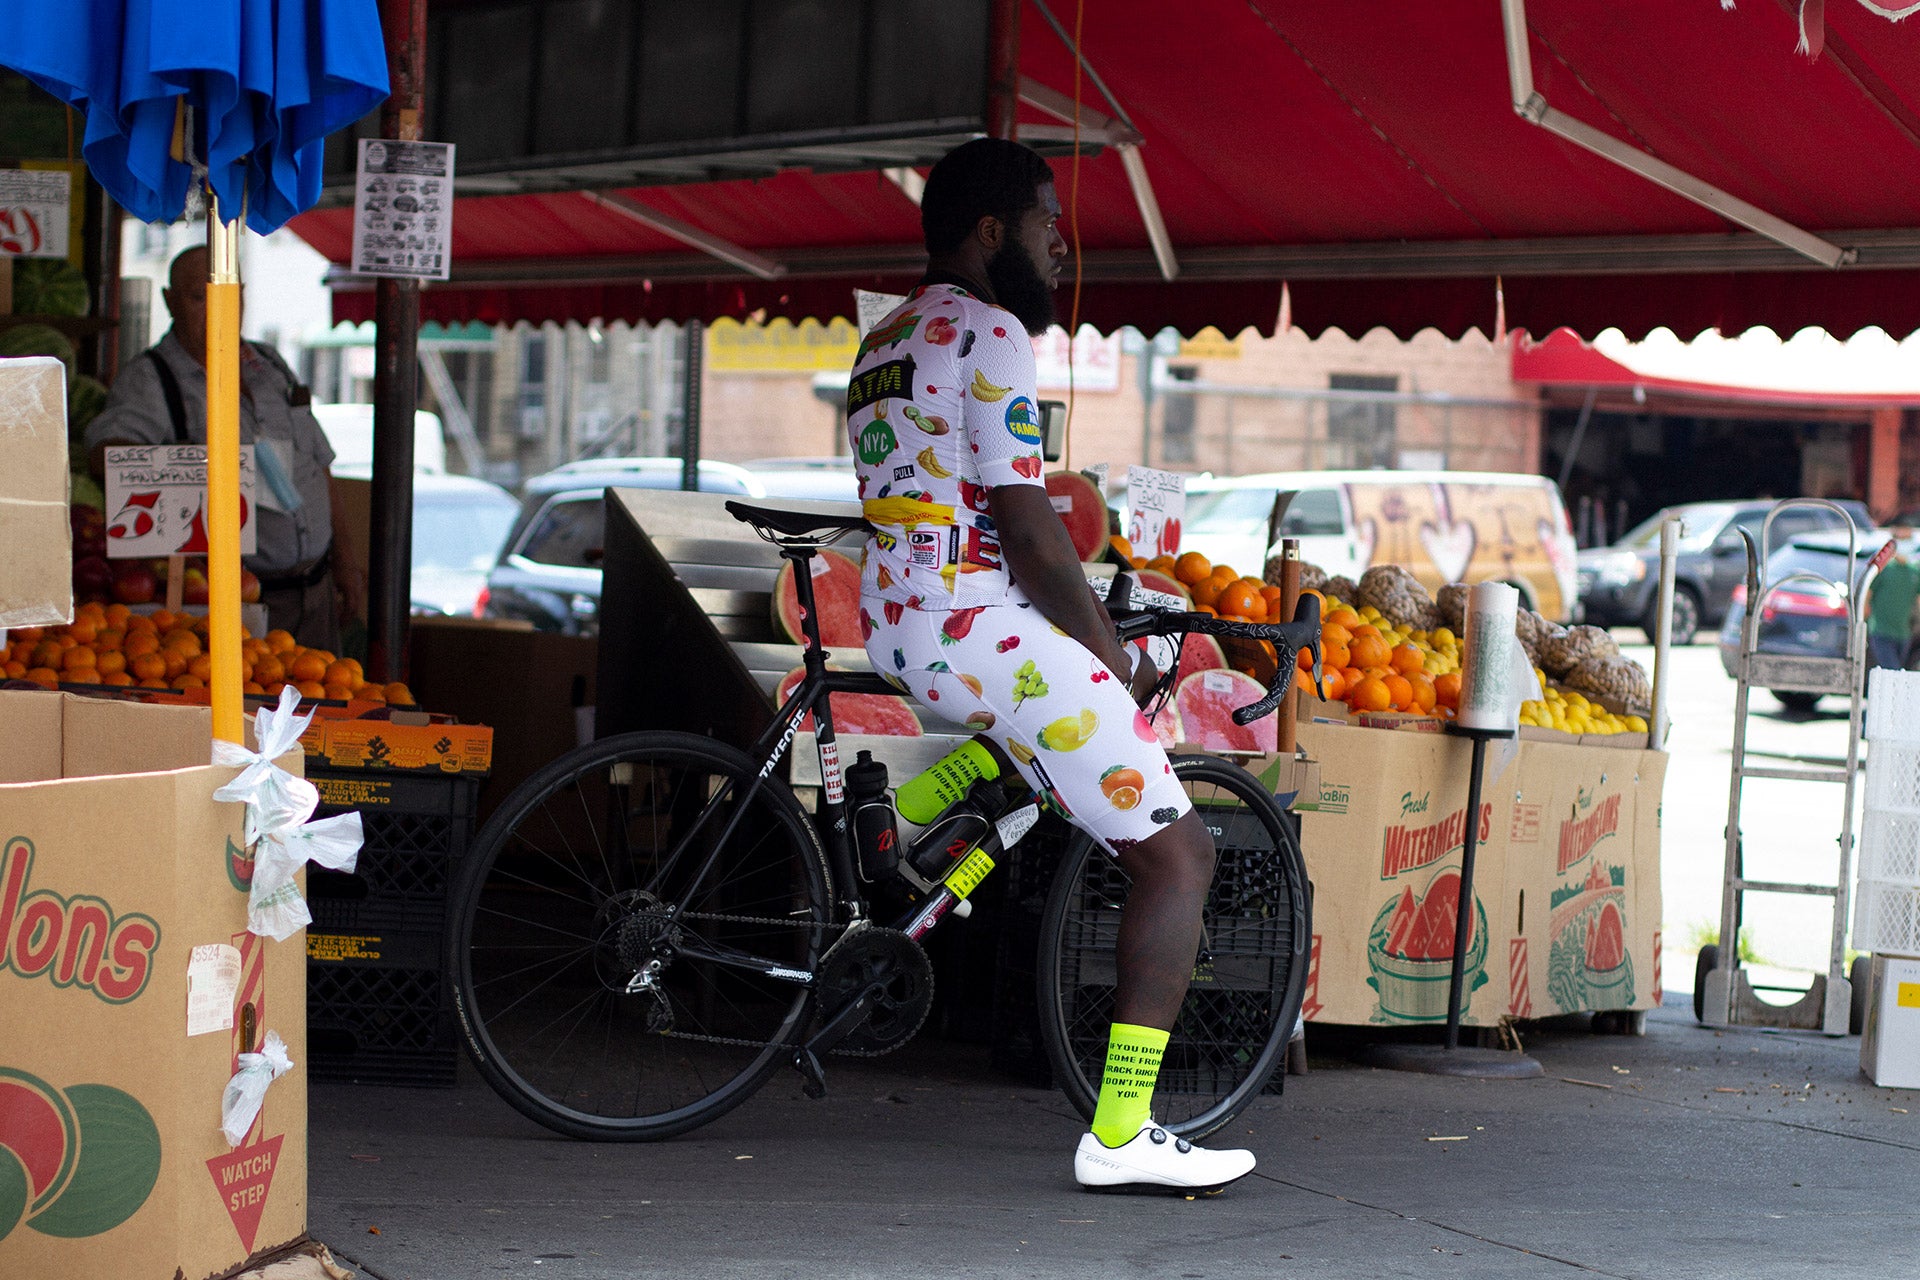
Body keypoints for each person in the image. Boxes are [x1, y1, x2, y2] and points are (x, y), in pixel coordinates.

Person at [848, 138, 1253, 1194]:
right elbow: (1028, 530)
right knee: (1179, 857)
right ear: (992, 233)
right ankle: (1121, 1130)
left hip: (899, 623)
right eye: (1045, 221)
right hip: (979, 629)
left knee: (1036, 757)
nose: (1059, 245)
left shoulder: (886, 334)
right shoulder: (988, 332)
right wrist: (1111, 654)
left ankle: (911, 816)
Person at [86, 246, 360, 650]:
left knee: (324, 701)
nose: (217, 310)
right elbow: (106, 457)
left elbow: (318, 463)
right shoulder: (151, 379)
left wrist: (346, 560)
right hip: (232, 604)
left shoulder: (270, 365)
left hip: (316, 592)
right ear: (169, 301)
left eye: (229, 296)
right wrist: (188, 472)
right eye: (199, 297)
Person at [1867, 525, 1920, 672]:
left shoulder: (1914, 571)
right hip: (1881, 630)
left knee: (1897, 673)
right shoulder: (1884, 569)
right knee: (1892, 672)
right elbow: (1868, 595)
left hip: (1904, 633)